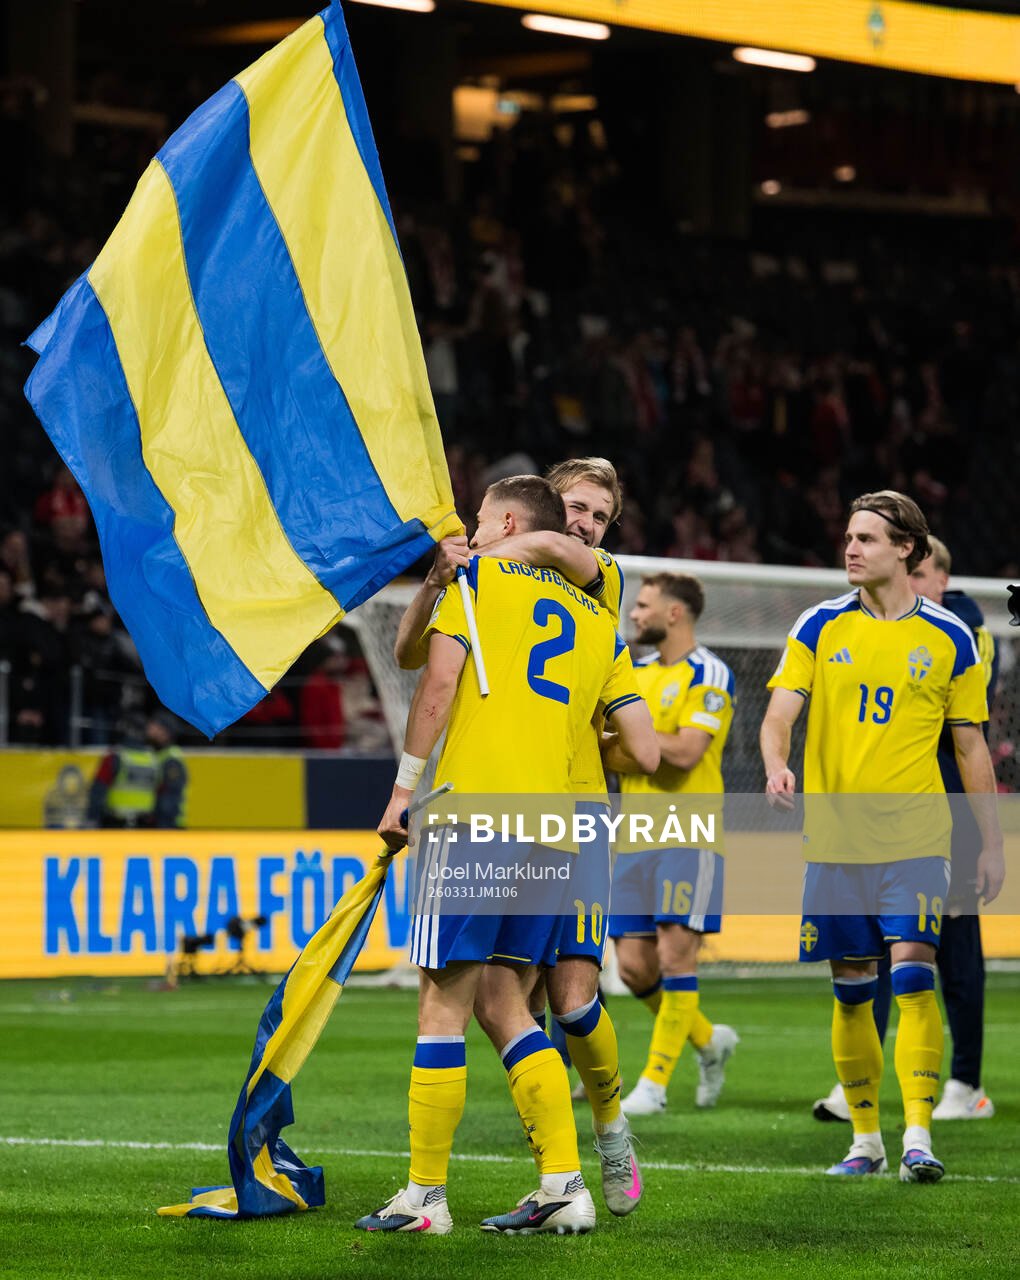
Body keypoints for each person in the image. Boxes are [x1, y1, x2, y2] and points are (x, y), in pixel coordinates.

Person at [355, 475, 658, 1236]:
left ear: (509, 523)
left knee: (444, 1003)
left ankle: (425, 1196)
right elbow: (644, 749)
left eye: (481, 521)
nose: (472, 532)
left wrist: (403, 789)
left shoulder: (491, 577)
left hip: (477, 814)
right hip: (557, 825)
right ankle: (564, 1184)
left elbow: (436, 682)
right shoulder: (599, 621)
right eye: (579, 508)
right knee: (508, 1003)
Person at [760, 491, 1003, 1183]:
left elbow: (971, 747)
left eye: (866, 538)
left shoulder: (950, 637)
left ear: (907, 549)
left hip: (918, 839)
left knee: (915, 977)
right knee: (852, 990)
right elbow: (779, 715)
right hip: (835, 844)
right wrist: (776, 766)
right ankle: (865, 1142)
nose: (851, 548)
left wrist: (992, 843)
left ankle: (918, 1136)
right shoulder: (819, 625)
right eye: (849, 536)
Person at [811, 535, 999, 1123]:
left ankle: (965, 1081)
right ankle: (862, 1082)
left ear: (941, 580)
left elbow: (960, 726)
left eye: (921, 576)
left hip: (950, 809)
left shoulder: (963, 631)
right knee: (874, 947)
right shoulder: (867, 623)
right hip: (875, 816)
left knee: (954, 945)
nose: (909, 586)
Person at [608, 573, 739, 1116]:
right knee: (634, 968)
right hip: (635, 836)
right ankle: (709, 1041)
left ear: (675, 613)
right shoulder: (633, 673)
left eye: (643, 605)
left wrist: (631, 740)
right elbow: (603, 747)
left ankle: (654, 1085)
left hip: (689, 834)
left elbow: (686, 753)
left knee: (675, 955)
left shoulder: (709, 673)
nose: (634, 615)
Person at [87, 713, 157, 828]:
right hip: (144, 826)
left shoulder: (115, 757)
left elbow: (98, 790)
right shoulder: (153, 758)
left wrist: (92, 818)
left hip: (115, 824)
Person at [146, 710, 189, 829]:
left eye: (154, 725)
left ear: (165, 732)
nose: (149, 728)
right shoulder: (159, 754)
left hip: (169, 824)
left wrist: (162, 825)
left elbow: (171, 795)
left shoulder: (171, 759)